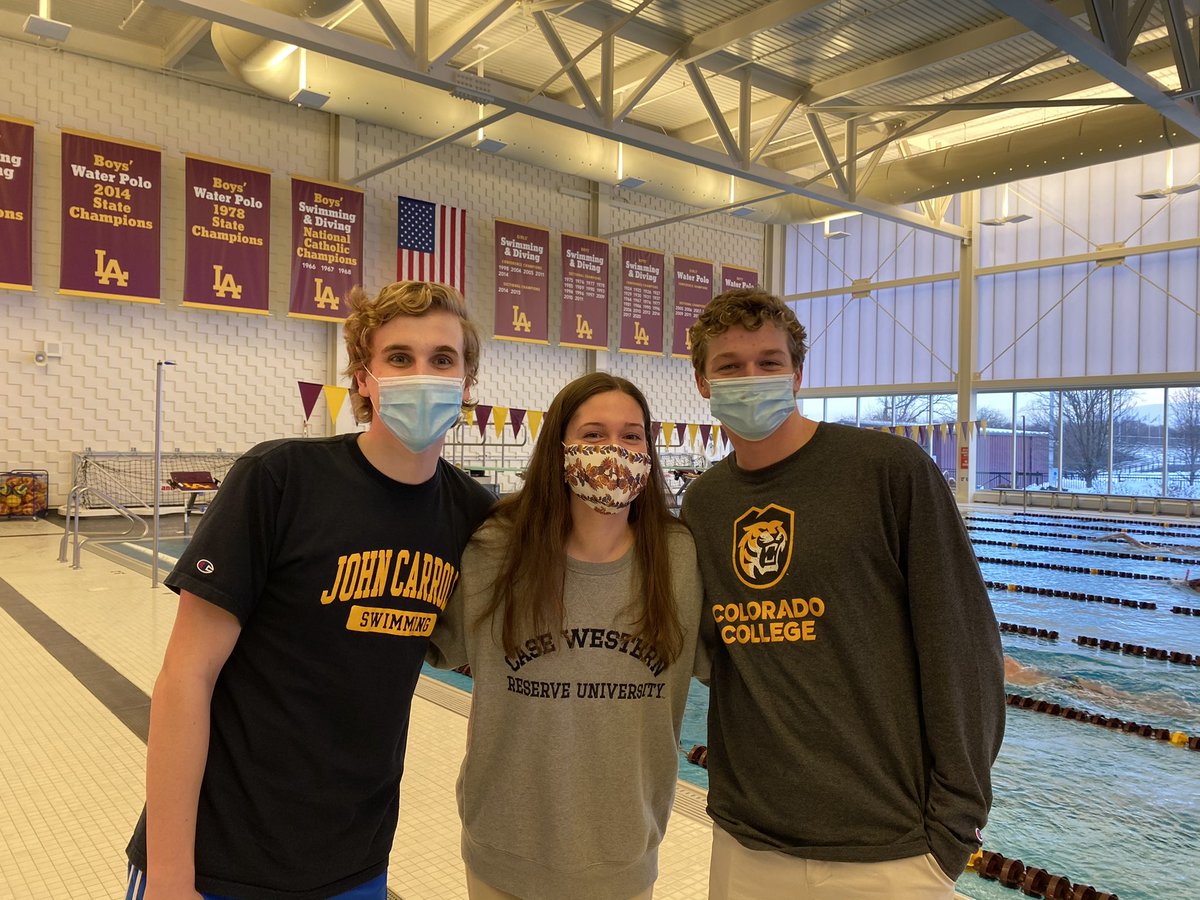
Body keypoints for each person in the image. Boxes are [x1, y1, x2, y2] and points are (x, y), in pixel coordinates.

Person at [125, 281, 495, 900]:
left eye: (442, 359)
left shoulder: (471, 514)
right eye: (398, 358)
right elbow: (185, 678)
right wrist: (169, 875)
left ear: (467, 382)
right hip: (218, 856)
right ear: (363, 378)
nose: (421, 374)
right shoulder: (280, 479)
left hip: (355, 861)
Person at [680, 288, 1005, 900]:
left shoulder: (888, 470)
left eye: (769, 362)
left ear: (797, 373)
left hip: (890, 849)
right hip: (747, 841)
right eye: (730, 366)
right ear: (702, 381)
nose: (751, 378)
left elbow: (963, 648)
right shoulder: (704, 504)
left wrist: (953, 829)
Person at [428, 372, 704, 900]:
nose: (613, 451)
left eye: (631, 436)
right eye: (593, 434)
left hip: (622, 856)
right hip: (502, 852)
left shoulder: (680, 558)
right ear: (559, 447)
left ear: (649, 448)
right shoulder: (494, 549)